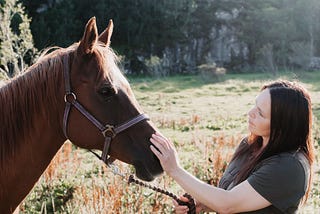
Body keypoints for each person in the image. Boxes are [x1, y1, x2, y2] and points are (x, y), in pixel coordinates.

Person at [150, 80, 315, 213]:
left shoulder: (289, 166)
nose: (250, 113)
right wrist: (203, 203)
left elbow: (228, 204)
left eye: (261, 113)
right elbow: (232, 195)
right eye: (255, 105)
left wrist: (174, 170)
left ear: (282, 126)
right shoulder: (249, 145)